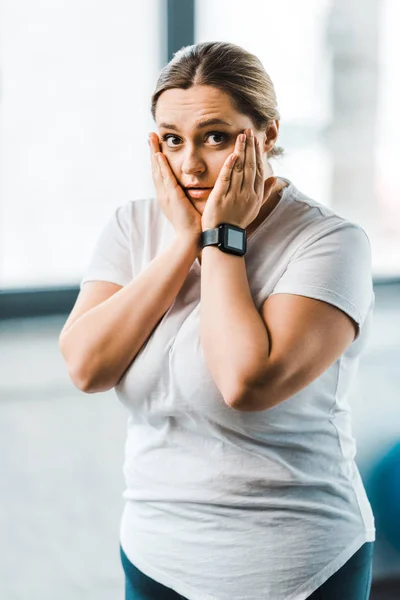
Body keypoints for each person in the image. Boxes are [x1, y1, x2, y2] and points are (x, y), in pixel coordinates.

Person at [59, 41, 375, 600]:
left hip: (294, 564)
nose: (190, 164)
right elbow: (87, 367)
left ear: (268, 136)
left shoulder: (330, 242)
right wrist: (183, 240)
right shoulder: (134, 225)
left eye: (216, 136)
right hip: (156, 555)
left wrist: (221, 239)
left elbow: (245, 382)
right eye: (173, 140)